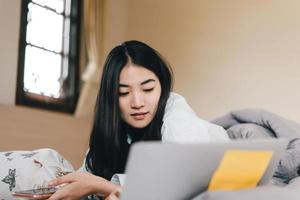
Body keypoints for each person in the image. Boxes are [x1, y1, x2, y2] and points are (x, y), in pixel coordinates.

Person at [46, 40, 229, 200]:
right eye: (123, 93)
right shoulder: (114, 127)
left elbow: (181, 186)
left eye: (148, 89)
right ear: (111, 97)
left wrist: (103, 187)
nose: (138, 103)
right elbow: (88, 176)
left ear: (162, 86)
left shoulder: (176, 118)